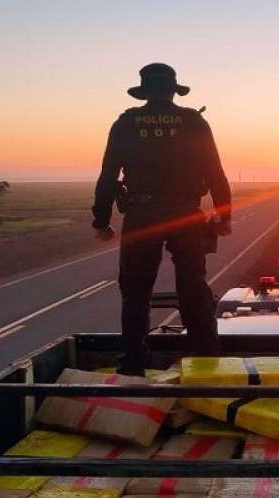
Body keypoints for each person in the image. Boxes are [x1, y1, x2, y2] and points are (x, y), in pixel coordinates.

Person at [92, 63, 232, 376]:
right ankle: (207, 359)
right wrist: (224, 216)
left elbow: (108, 175)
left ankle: (133, 364)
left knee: (136, 291)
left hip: (142, 216)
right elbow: (216, 172)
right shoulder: (193, 121)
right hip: (185, 214)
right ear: (173, 91)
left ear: (145, 92)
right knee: (193, 286)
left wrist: (101, 221)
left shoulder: (127, 122)